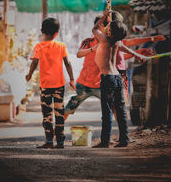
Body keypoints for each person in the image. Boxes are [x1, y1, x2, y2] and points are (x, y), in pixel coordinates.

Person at [64, 12, 164, 121]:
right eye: (108, 27)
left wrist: (150, 40)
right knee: (68, 108)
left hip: (102, 84)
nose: (109, 30)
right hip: (84, 84)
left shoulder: (111, 42)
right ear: (100, 26)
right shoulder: (89, 42)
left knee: (115, 109)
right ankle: (56, 132)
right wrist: (94, 48)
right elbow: (79, 54)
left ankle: (122, 134)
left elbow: (130, 43)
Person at [91, 9, 144, 148]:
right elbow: (126, 49)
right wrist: (137, 55)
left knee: (107, 111)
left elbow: (95, 28)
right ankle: (124, 140)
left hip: (107, 79)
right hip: (117, 78)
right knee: (120, 110)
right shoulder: (117, 41)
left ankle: (105, 141)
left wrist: (104, 16)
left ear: (109, 32)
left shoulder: (104, 39)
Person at [26, 17, 75, 149]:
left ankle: (49, 142)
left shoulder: (38, 47)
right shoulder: (61, 46)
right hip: (59, 85)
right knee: (59, 113)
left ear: (42, 31)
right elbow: (68, 63)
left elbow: (34, 62)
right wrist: (71, 79)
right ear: (57, 33)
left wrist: (29, 75)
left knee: (47, 115)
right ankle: (60, 142)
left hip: (45, 86)